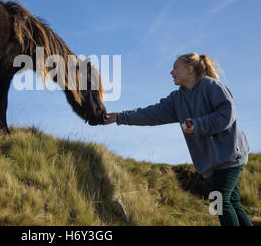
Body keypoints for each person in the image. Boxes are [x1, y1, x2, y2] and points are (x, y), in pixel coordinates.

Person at [104, 52, 253, 226]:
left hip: (230, 155)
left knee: (219, 200)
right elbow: (151, 114)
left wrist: (198, 125)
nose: (171, 72)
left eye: (176, 67)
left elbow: (226, 115)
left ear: (190, 69)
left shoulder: (210, 86)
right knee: (230, 202)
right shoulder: (177, 99)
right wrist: (120, 117)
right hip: (213, 162)